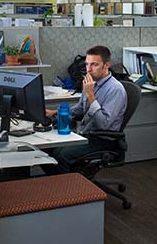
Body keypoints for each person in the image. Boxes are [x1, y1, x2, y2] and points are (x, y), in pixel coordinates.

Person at [45, 45, 127, 173]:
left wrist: (90, 95)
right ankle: (64, 181)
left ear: (106, 65)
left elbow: (103, 124)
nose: (88, 69)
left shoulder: (115, 90)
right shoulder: (90, 82)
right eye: (87, 64)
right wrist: (55, 112)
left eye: (94, 65)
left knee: (61, 155)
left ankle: (69, 184)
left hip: (103, 139)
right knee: (48, 148)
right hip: (85, 133)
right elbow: (80, 109)